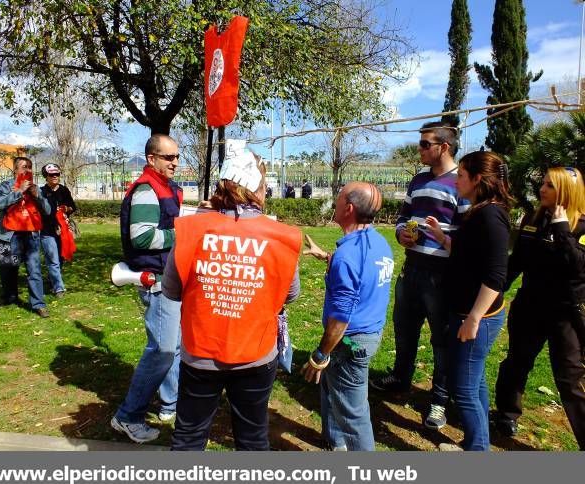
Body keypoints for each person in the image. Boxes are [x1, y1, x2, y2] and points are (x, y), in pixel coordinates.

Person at [164, 144, 301, 451]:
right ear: (259, 190)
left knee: (188, 436)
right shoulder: (281, 236)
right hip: (256, 353)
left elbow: (171, 289)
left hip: (200, 353)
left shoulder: (192, 229)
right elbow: (289, 295)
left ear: (220, 188)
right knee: (253, 439)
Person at [369, 121, 469, 431]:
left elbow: (468, 235)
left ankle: (439, 399)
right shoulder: (418, 180)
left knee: (440, 339)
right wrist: (402, 235)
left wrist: (443, 239)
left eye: (426, 144)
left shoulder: (461, 184)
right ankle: (400, 377)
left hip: (441, 276)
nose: (420, 149)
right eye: (421, 143)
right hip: (411, 268)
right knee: (404, 328)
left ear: (444, 147)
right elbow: (402, 218)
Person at [494, 166, 585, 450]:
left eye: (549, 185)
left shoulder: (581, 226)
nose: (541, 189)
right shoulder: (532, 219)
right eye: (542, 183)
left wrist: (561, 230)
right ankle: (507, 414)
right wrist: (496, 288)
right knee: (516, 362)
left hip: (566, 314)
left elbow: (577, 266)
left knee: (570, 377)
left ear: (566, 191)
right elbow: (517, 260)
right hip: (530, 306)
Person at [426, 150, 511, 451]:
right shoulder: (478, 210)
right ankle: (478, 442)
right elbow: (469, 256)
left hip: (477, 317)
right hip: (465, 311)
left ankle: (477, 452)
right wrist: (442, 237)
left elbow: (495, 276)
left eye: (461, 175)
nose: (456, 180)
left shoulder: (491, 216)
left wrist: (474, 318)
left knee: (462, 389)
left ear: (478, 179)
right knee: (474, 383)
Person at [302, 182, 394, 451]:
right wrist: (328, 257)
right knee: (331, 391)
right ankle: (336, 445)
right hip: (369, 335)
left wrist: (320, 354)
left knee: (354, 415)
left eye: (339, 198)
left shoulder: (348, 256)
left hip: (350, 342)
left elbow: (341, 318)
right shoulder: (377, 241)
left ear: (349, 208)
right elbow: (360, 273)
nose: (335, 202)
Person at [111, 134, 183, 443]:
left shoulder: (164, 188)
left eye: (177, 157)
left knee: (174, 348)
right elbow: (141, 237)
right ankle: (128, 416)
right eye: (168, 157)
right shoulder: (145, 190)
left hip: (168, 279)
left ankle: (170, 404)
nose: (175, 162)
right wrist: (183, 234)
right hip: (156, 283)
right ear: (151, 159)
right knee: (162, 350)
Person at [0, 156, 51, 318]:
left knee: (34, 270)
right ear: (15, 170)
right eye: (24, 167)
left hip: (31, 234)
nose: (28, 170)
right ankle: (10, 297)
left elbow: (47, 210)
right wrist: (18, 192)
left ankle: (38, 304)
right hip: (9, 235)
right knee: (8, 268)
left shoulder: (35, 188)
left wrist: (36, 195)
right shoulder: (6, 185)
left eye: (30, 167)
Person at [40, 163, 77, 297]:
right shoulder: (41, 192)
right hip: (47, 231)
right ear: (46, 176)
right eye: (51, 174)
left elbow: (73, 206)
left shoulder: (64, 190)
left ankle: (52, 280)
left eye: (57, 174)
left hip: (63, 231)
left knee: (61, 259)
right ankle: (59, 288)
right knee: (53, 259)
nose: (55, 176)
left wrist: (67, 209)